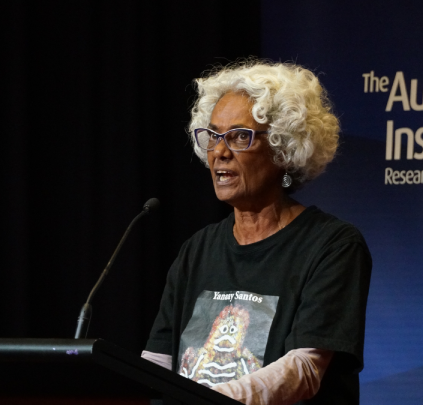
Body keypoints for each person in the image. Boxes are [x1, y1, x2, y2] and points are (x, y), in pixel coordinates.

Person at [142, 61, 372, 405]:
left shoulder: (332, 245)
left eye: (238, 136)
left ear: (283, 148)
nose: (219, 152)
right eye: (213, 136)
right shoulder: (198, 250)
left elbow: (303, 371)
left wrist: (202, 399)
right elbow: (157, 363)